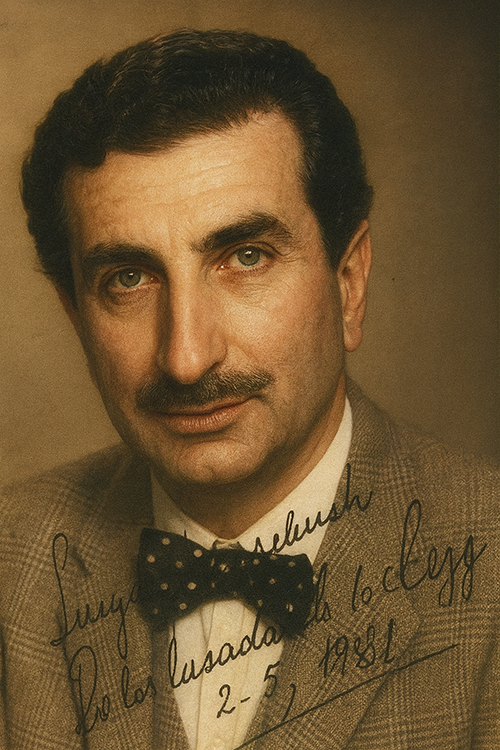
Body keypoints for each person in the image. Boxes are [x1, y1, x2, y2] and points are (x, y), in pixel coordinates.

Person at [1, 28, 498, 750]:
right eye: (129, 278)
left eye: (245, 257)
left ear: (348, 283)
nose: (186, 358)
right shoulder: (12, 558)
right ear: (75, 314)